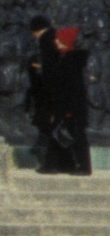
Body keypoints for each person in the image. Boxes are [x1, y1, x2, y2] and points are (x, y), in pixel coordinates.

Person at [44, 26, 92, 176]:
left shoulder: (70, 62)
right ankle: (58, 165)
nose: (56, 42)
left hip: (69, 107)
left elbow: (72, 88)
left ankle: (80, 166)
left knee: (72, 135)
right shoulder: (66, 59)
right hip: (66, 106)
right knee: (62, 134)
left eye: (59, 40)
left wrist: (69, 110)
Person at [27, 15, 59, 171]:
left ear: (37, 30)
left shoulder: (46, 41)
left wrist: (37, 68)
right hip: (53, 94)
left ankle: (49, 164)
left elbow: (50, 70)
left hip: (49, 95)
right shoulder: (56, 39)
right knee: (48, 130)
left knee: (47, 129)